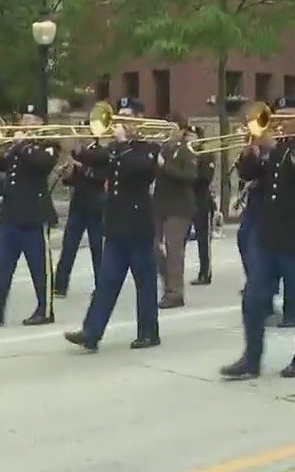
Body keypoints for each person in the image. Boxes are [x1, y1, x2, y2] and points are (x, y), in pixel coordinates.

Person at [220, 97, 295, 380]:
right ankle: (251, 358)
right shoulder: (273, 146)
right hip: (268, 235)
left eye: (288, 115)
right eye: (278, 115)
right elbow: (248, 176)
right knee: (253, 299)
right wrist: (250, 154)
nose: (280, 120)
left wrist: (277, 150)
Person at [64, 97, 161, 351]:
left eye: (126, 116)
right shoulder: (116, 149)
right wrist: (76, 147)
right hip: (117, 226)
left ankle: (149, 332)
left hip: (138, 226)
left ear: (138, 120)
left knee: (145, 282)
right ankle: (91, 332)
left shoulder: (148, 148)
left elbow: (139, 170)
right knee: (106, 281)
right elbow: (95, 159)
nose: (119, 122)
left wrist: (120, 143)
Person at [0, 103, 59, 327]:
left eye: (32, 119)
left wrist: (21, 144)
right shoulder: (15, 146)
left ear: (42, 123)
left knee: (39, 267)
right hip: (11, 215)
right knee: (1, 264)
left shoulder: (48, 144)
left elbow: (42, 164)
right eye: (25, 119)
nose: (26, 123)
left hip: (34, 215)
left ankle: (45, 310)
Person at [53, 120, 107, 297]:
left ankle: (101, 285)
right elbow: (72, 180)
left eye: (82, 132)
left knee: (97, 247)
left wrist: (79, 165)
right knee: (68, 245)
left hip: (95, 204)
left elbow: (98, 177)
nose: (79, 137)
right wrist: (67, 173)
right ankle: (60, 285)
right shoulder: (80, 154)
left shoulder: (100, 152)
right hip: (78, 204)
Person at [152, 113, 198, 309]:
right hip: (160, 205)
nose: (168, 132)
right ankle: (168, 285)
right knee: (153, 247)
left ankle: (175, 293)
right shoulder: (162, 149)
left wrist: (165, 166)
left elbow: (190, 176)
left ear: (181, 130)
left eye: (172, 128)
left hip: (179, 208)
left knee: (174, 251)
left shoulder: (187, 151)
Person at [190, 126, 215, 286]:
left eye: (192, 136)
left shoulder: (206, 156)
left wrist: (189, 170)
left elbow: (206, 177)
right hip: (185, 201)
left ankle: (205, 272)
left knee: (203, 239)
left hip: (201, 200)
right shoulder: (185, 154)